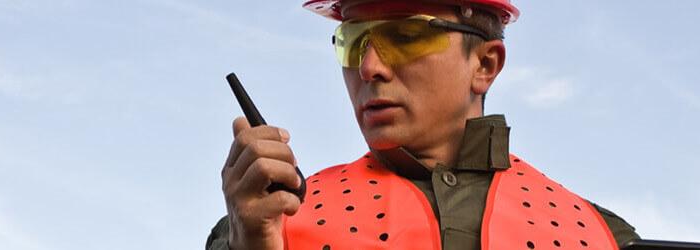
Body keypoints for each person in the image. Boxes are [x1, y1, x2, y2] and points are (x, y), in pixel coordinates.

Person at [207, 0, 638, 249]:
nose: (369, 68)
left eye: (406, 37)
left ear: (485, 64)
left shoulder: (603, 236)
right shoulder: (259, 223)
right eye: (354, 43)